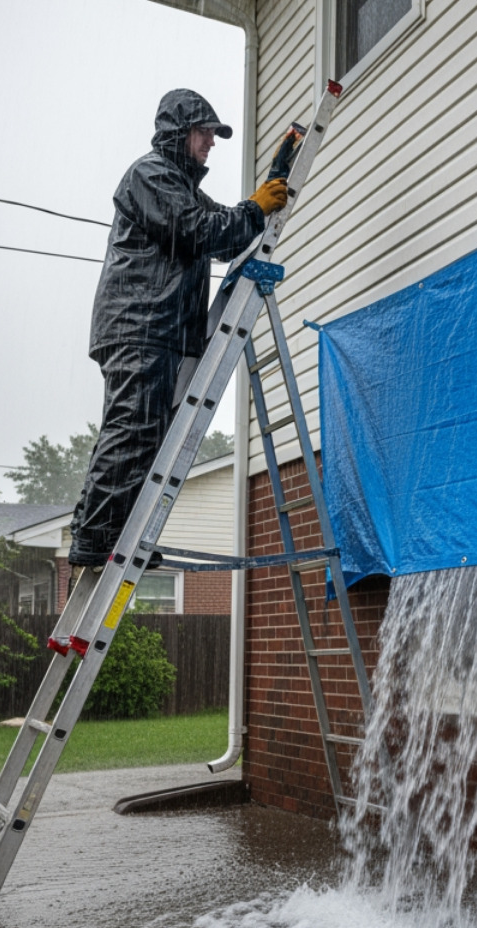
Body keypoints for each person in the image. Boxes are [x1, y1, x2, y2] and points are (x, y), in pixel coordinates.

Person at [68, 89, 288, 578]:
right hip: (139, 324)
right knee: (133, 429)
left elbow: (221, 231)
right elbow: (200, 231)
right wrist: (254, 209)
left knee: (142, 435)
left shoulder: (180, 185)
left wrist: (255, 207)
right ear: (178, 132)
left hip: (157, 327)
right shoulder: (151, 175)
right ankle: (98, 538)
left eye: (213, 134)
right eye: (204, 132)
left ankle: (110, 534)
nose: (211, 141)